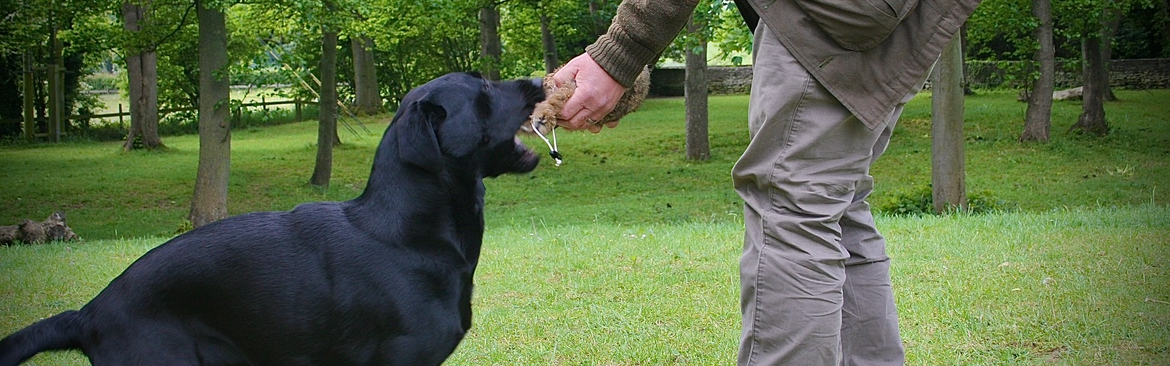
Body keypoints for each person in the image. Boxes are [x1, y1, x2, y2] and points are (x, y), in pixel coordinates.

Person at [550, 0, 981, 364]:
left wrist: (621, 51)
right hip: (883, 15)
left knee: (794, 207)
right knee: (833, 204)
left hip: (833, 21)